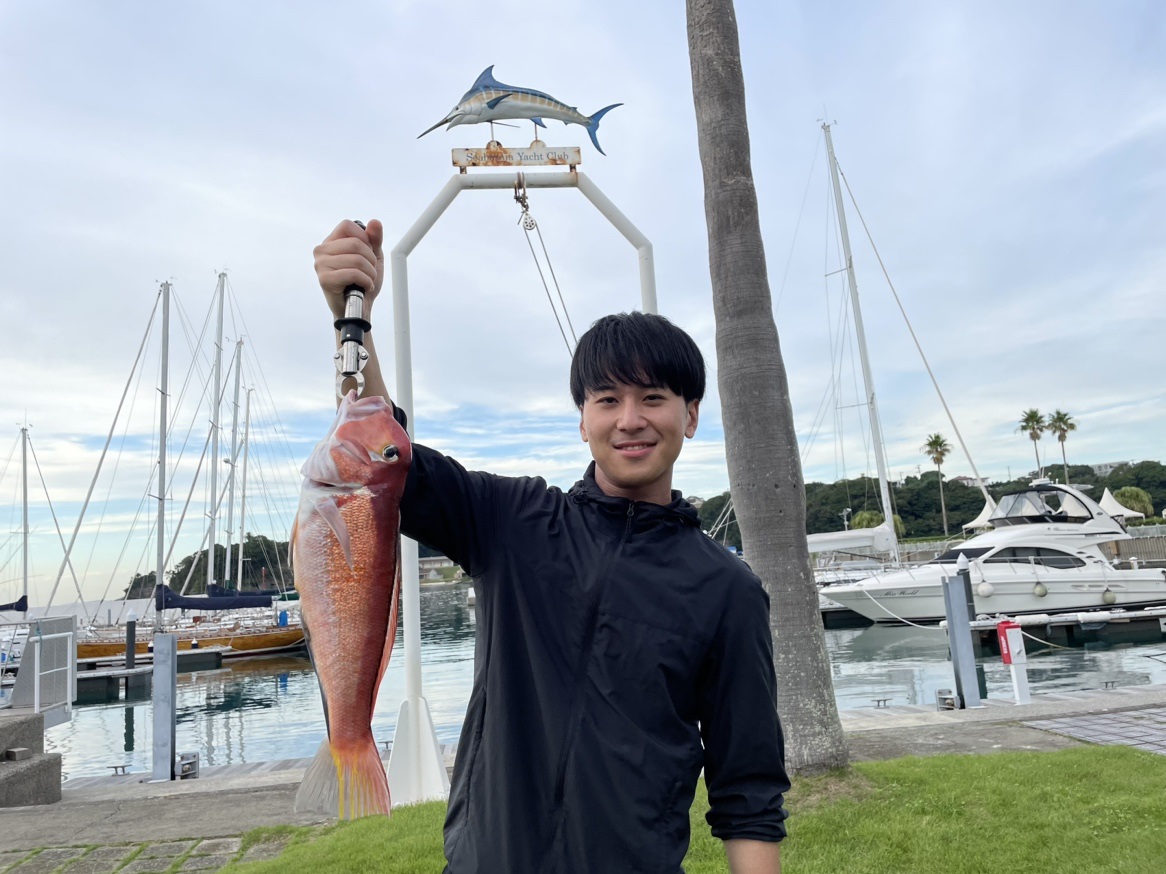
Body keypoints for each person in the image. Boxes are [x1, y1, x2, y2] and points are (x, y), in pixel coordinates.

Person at [314, 219, 790, 874]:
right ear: (583, 419)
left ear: (691, 414)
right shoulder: (513, 521)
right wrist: (352, 321)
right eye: (608, 399)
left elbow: (749, 786)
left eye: (654, 398)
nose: (630, 419)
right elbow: (382, 459)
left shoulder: (727, 590)